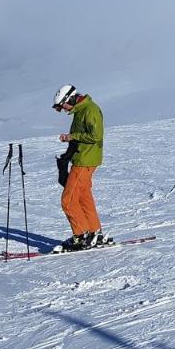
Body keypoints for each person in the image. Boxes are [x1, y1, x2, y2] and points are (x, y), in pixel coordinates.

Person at [52, 84, 110, 250]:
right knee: (83, 197)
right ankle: (93, 232)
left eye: (64, 106)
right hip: (83, 158)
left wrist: (71, 136)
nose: (64, 110)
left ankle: (81, 236)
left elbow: (96, 135)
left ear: (70, 98)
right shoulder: (81, 110)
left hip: (85, 161)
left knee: (68, 200)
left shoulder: (90, 110)